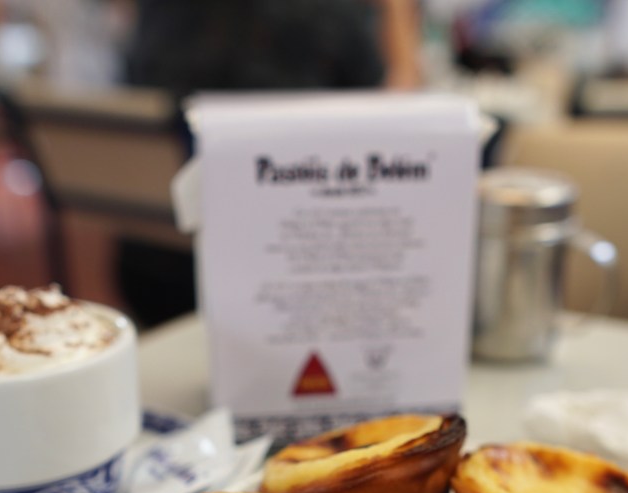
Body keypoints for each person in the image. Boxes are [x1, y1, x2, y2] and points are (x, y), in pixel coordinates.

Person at [114, 0, 423, 328]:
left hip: (152, 268)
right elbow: (395, 126)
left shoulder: (160, 12)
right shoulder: (333, 12)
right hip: (292, 284)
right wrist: (398, 15)